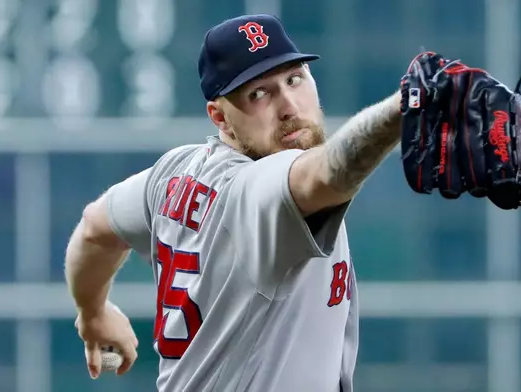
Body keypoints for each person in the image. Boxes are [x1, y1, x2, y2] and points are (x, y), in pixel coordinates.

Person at [64, 13, 402, 392]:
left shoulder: (172, 174)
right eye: (259, 93)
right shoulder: (253, 191)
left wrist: (92, 312)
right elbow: (325, 175)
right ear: (220, 117)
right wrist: (406, 109)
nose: (289, 106)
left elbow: (95, 228)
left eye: (294, 79)